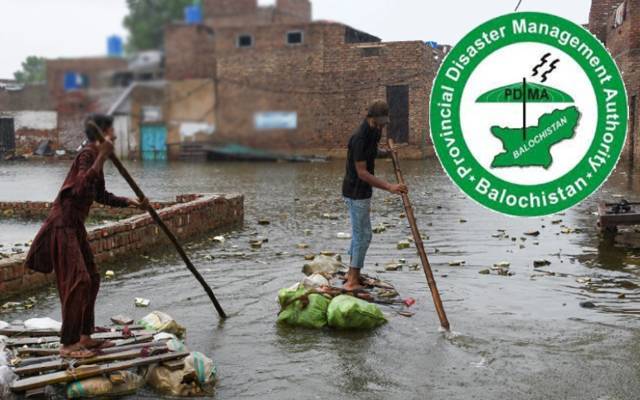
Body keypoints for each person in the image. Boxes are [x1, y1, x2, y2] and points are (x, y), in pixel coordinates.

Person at [25, 114, 149, 358]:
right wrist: (102, 156)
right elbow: (80, 187)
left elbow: (99, 194)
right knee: (78, 280)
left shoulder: (94, 157)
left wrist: (130, 202)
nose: (115, 134)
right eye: (112, 129)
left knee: (92, 277)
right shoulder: (88, 155)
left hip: (76, 226)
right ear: (103, 132)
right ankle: (68, 345)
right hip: (63, 225)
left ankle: (85, 336)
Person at [342, 101, 408, 291]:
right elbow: (362, 172)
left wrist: (385, 153)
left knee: (359, 234)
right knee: (364, 235)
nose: (380, 127)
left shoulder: (375, 131)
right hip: (355, 192)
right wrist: (390, 187)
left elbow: (371, 153)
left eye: (383, 123)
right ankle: (352, 281)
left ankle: (351, 273)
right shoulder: (359, 138)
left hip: (363, 192)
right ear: (369, 117)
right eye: (377, 123)